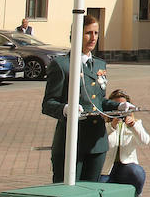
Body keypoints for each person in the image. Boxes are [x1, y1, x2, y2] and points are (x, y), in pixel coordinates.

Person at [41, 14, 119, 182]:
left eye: (96, 33)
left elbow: (99, 101)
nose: (93, 38)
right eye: (88, 33)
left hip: (96, 142)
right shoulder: (62, 65)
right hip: (71, 141)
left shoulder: (99, 64)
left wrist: (119, 107)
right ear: (76, 34)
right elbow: (48, 103)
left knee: (91, 191)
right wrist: (65, 109)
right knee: (68, 188)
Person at [101, 88, 150, 197]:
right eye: (116, 108)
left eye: (122, 109)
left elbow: (145, 141)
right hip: (106, 169)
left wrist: (133, 126)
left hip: (125, 167)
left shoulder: (136, 123)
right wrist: (112, 126)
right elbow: (104, 143)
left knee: (137, 172)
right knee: (100, 189)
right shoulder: (103, 124)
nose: (120, 112)